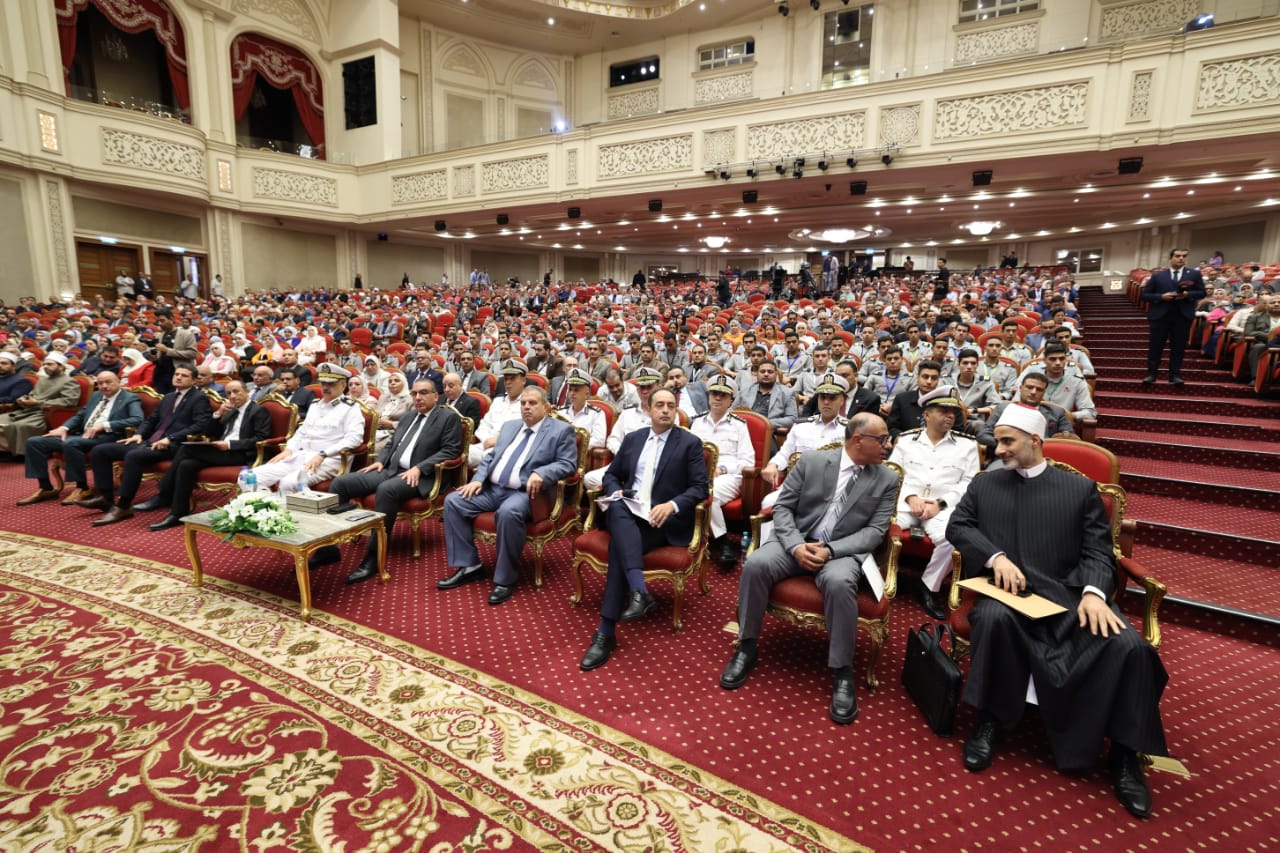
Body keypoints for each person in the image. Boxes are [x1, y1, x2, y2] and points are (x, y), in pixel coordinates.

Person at [946, 405, 1169, 819]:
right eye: (998, 441)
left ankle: (1125, 754)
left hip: (1070, 597)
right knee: (992, 620)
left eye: (1007, 442)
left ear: (1035, 440)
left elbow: (1099, 551)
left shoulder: (1080, 490)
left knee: (1131, 648)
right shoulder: (985, 484)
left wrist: (1094, 594)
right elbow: (958, 526)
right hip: (1008, 595)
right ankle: (990, 720)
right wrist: (995, 557)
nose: (998, 449)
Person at [720, 413, 898, 726]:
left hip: (841, 550)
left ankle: (842, 670)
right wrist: (796, 546)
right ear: (859, 440)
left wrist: (831, 550)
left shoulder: (886, 478)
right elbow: (783, 508)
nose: (888, 445)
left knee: (840, 583)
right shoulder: (812, 462)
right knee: (757, 564)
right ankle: (747, 647)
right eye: (882, 439)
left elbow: (874, 532)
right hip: (797, 540)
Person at [579, 387, 709, 670]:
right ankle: (638, 592)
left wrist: (672, 505)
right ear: (648, 409)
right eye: (659, 405)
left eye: (671, 405)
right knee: (616, 506)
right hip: (629, 510)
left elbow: (700, 488)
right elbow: (611, 476)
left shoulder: (689, 443)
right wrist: (615, 491)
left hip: (661, 521)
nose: (665, 410)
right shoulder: (634, 438)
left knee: (618, 546)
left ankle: (606, 631)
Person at [316, 378, 465, 584]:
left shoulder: (448, 418)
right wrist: (380, 461)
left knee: (387, 490)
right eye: (414, 393)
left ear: (435, 396)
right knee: (340, 483)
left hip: (422, 476)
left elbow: (450, 450)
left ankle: (373, 557)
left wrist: (420, 468)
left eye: (423, 393)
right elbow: (391, 443)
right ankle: (328, 548)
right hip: (390, 469)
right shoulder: (408, 416)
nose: (418, 397)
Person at [439, 387, 578, 606]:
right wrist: (478, 479)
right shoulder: (510, 426)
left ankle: (505, 579)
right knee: (454, 501)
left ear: (546, 406)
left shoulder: (561, 430)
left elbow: (568, 463)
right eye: (523, 403)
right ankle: (469, 565)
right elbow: (490, 457)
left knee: (508, 512)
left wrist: (542, 473)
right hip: (493, 489)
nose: (526, 407)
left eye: (532, 403)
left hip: (526, 493)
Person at [76, 365, 213, 525]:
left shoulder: (199, 398)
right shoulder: (168, 397)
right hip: (150, 442)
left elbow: (199, 425)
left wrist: (170, 438)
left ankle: (123, 506)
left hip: (174, 446)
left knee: (135, 455)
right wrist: (138, 434)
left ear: (194, 380)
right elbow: (151, 420)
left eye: (184, 375)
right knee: (100, 451)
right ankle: (105, 498)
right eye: (176, 374)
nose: (178, 377)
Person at [886, 388, 979, 619]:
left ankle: (928, 586)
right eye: (943, 410)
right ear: (926, 414)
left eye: (953, 412)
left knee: (954, 536)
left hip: (941, 509)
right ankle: (880, 576)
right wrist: (910, 497)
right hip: (907, 505)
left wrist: (940, 503)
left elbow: (969, 483)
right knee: (880, 525)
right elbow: (892, 474)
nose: (950, 415)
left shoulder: (967, 445)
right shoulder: (906, 440)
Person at [136, 380, 273, 530]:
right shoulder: (230, 410)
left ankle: (163, 494)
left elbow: (260, 438)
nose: (232, 396)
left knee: (186, 449)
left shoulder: (258, 410)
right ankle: (178, 513)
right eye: (229, 393)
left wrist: (230, 444)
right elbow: (208, 433)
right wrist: (218, 414)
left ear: (246, 391)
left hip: (241, 454)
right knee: (186, 465)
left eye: (236, 392)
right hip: (221, 452)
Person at [19, 371, 143, 506]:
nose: (104, 386)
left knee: (71, 443)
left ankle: (82, 487)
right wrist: (64, 428)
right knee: (34, 442)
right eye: (100, 383)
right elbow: (80, 415)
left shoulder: (129, 398)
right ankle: (45, 488)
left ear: (118, 382)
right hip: (81, 435)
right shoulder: (96, 395)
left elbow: (137, 419)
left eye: (108, 382)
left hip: (107, 437)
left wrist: (104, 425)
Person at [248, 363, 366, 493]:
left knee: (289, 483)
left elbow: (354, 439)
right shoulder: (315, 405)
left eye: (331, 384)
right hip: (300, 456)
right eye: (323, 383)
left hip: (328, 460)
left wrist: (323, 454)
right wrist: (289, 449)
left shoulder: (350, 408)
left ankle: (282, 505)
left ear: (343, 385)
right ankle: (266, 504)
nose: (325, 387)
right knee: (249, 477)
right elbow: (301, 432)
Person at [689, 375, 755, 565]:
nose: (717, 398)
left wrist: (723, 469)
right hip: (699, 475)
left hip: (729, 477)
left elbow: (747, 461)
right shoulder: (697, 423)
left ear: (731, 400)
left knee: (710, 492)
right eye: (714, 393)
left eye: (723, 395)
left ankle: (723, 541)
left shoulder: (739, 425)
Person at [1140, 248, 1206, 385]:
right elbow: (1145, 295)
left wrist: (1187, 294)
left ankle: (1174, 375)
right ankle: (1151, 374)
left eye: (1184, 256)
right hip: (1160, 316)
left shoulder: (1194, 274)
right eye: (1177, 256)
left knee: (1178, 347)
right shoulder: (1158, 276)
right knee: (1156, 346)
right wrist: (1161, 296)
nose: (1181, 258)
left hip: (1182, 316)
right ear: (1170, 258)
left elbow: (1202, 293)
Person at [0, 352, 80, 455]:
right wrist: (24, 399)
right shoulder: (43, 379)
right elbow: (33, 394)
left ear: (61, 367)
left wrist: (38, 403)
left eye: (50, 364)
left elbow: (69, 401)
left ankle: (21, 454)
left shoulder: (69, 381)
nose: (45, 367)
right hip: (29, 411)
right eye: (44, 364)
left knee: (21, 425)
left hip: (44, 413)